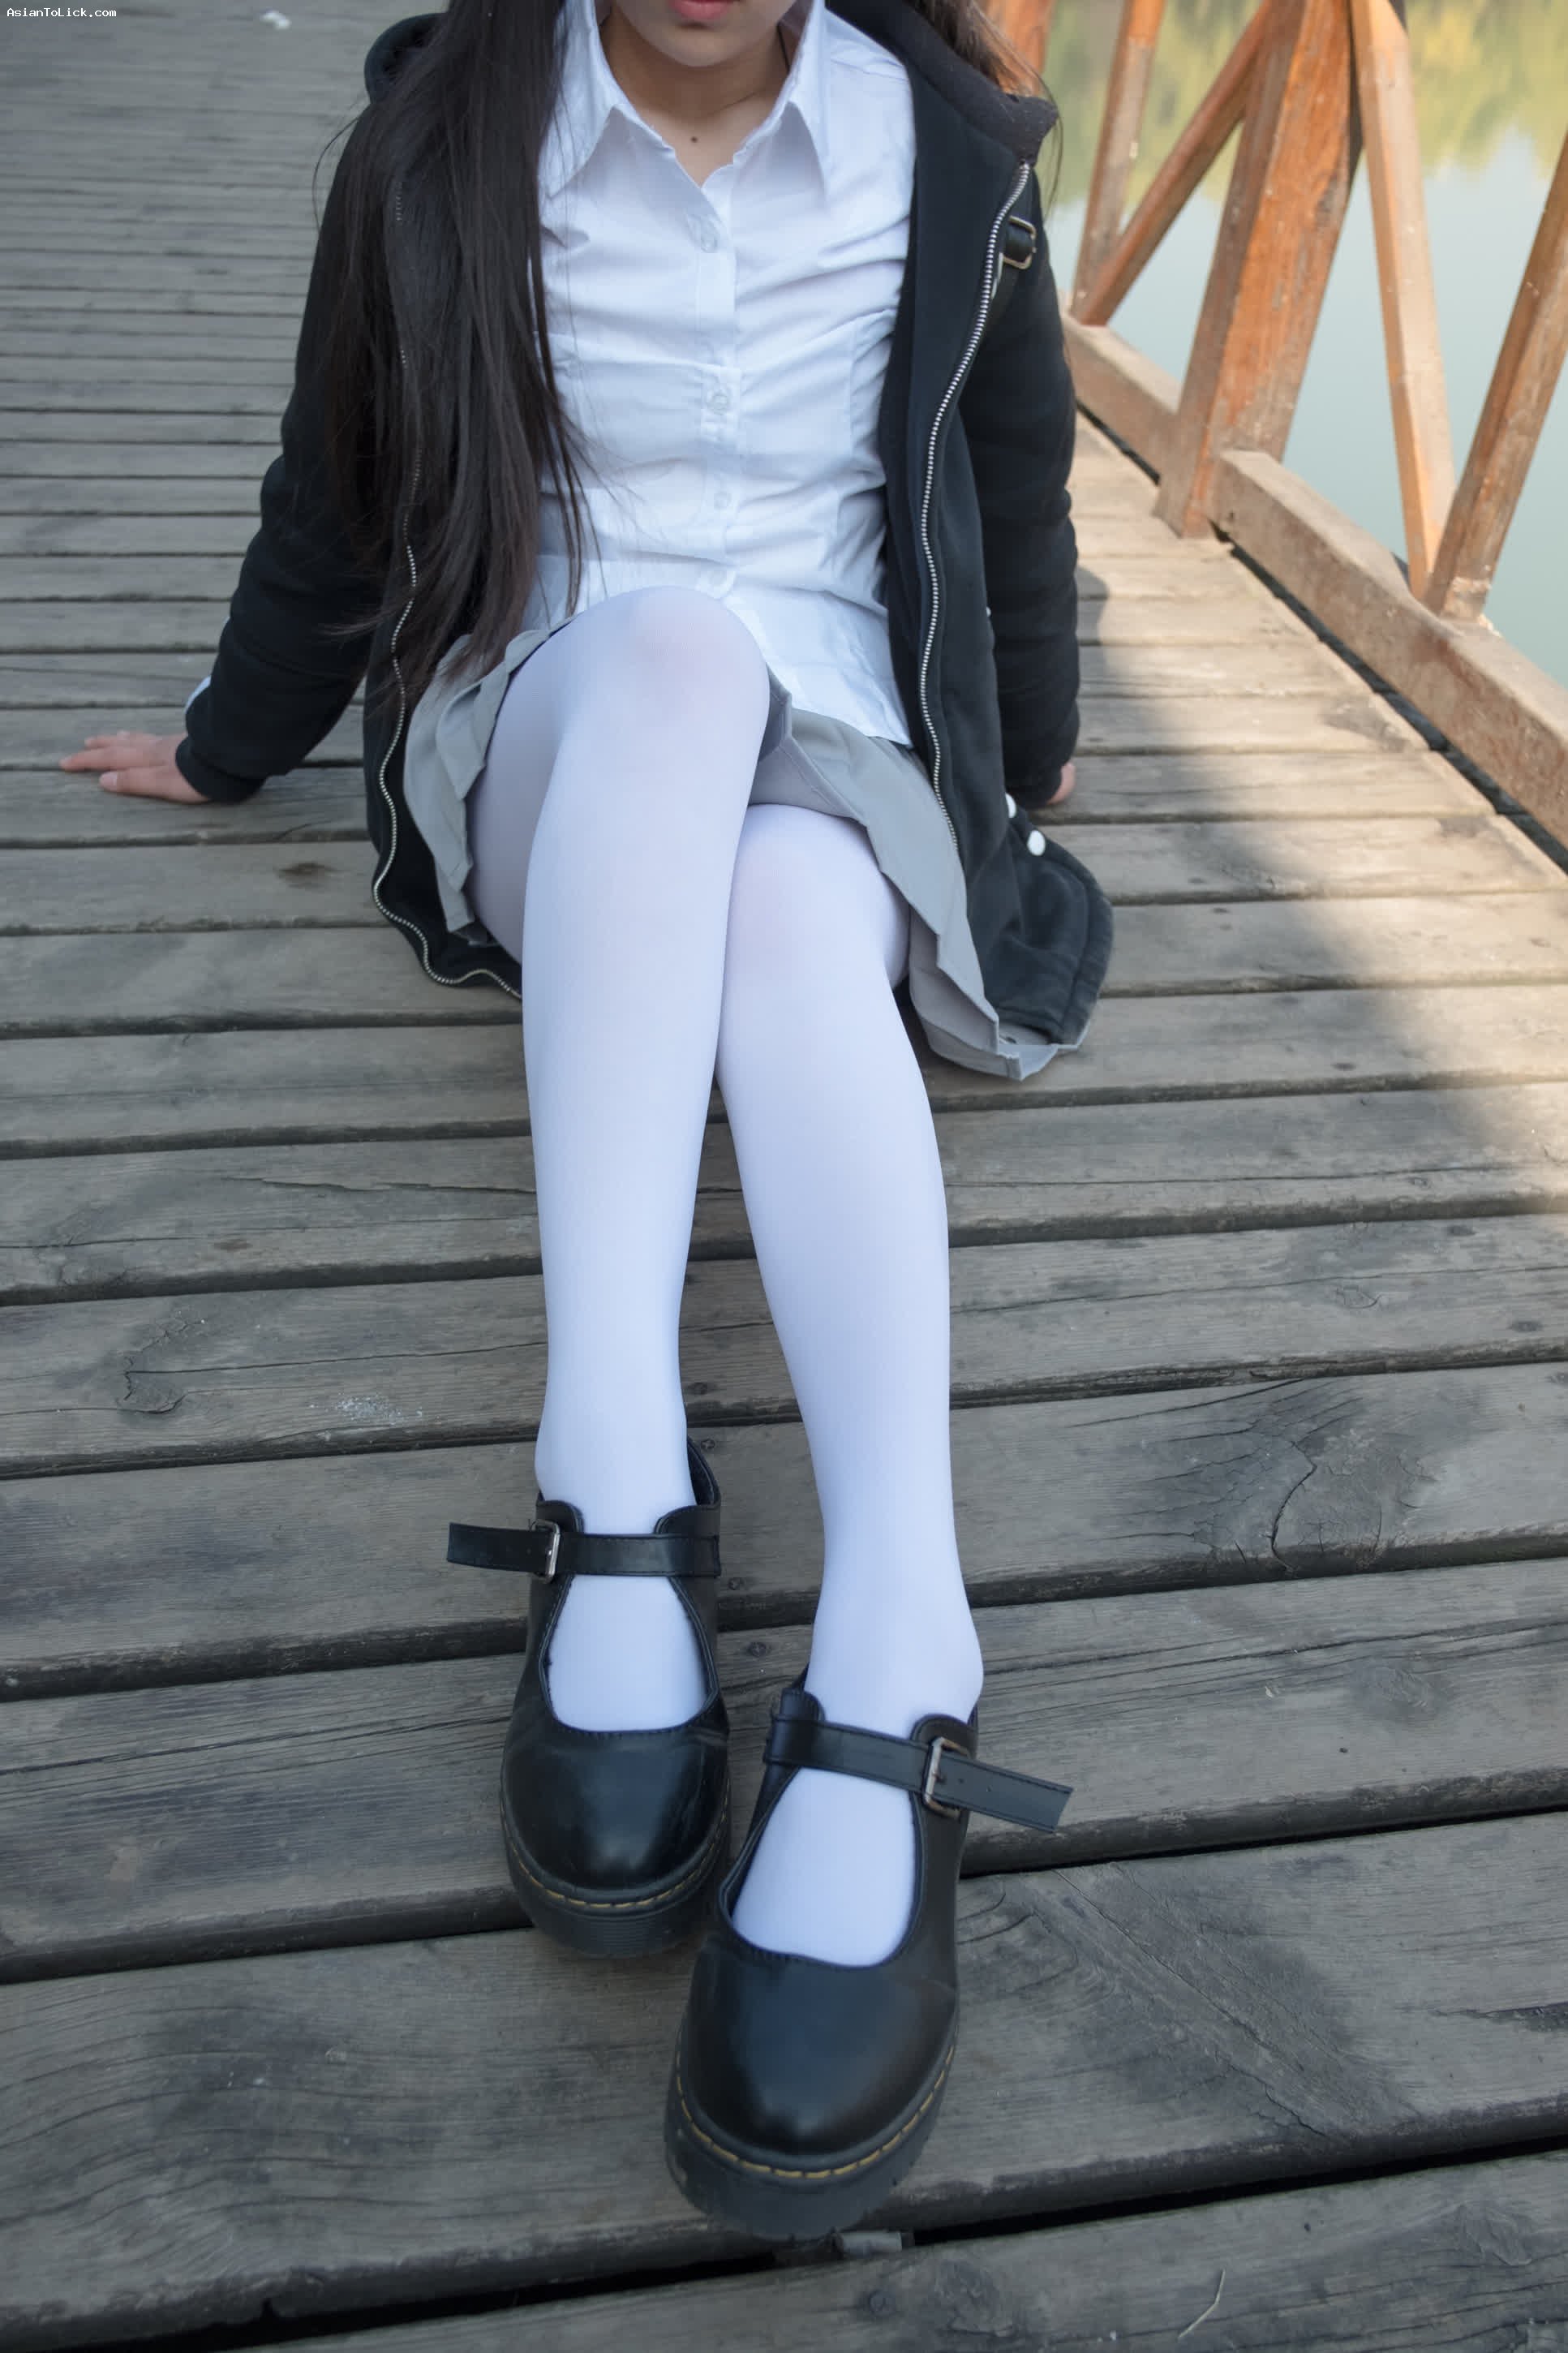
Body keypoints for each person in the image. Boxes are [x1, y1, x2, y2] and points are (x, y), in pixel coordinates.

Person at [59, 0, 1110, 2242]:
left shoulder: (945, 154)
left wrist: (1028, 751)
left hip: (839, 750)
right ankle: (613, 1460)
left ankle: (897, 1639)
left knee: (800, 888)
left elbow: (1016, 488)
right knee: (677, 653)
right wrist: (234, 743)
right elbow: (336, 483)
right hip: (555, 738)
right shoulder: (450, 134)